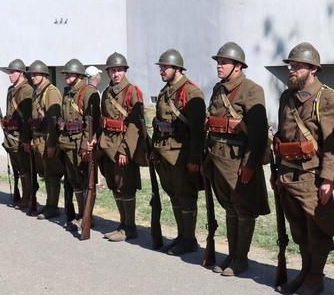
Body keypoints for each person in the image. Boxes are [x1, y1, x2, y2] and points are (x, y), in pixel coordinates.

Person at [272, 43, 334, 295]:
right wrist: (276, 171)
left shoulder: (327, 98)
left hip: (312, 176)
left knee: (317, 229)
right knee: (299, 229)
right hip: (288, 171)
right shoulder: (286, 97)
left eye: (298, 66)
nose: (291, 69)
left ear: (312, 69)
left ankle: (316, 277)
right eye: (290, 65)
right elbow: (281, 135)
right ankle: (305, 272)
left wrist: (329, 179)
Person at [203, 42, 270, 276]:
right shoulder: (217, 89)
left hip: (237, 159)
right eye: (218, 62)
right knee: (229, 208)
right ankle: (232, 254)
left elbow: (259, 132)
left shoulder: (252, 90)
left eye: (224, 62)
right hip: (217, 158)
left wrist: (250, 164)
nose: (219, 66)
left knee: (243, 209)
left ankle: (241, 258)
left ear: (238, 66)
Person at [151, 49, 205, 255]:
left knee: (186, 196)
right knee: (173, 194)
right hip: (164, 152)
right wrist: (154, 149)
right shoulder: (166, 91)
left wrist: (194, 157)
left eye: (165, 67)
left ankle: (189, 239)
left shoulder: (191, 92)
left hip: (182, 154)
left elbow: (199, 130)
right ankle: (182, 235)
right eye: (161, 67)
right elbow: (158, 123)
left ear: (177, 68)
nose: (162, 71)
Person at [98, 52, 145, 242]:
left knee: (125, 186)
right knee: (114, 185)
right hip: (107, 143)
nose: (116, 74)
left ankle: (130, 227)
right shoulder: (107, 93)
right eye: (113, 70)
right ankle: (122, 224)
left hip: (123, 145)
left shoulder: (132, 91)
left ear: (125, 71)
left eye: (119, 70)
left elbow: (135, 124)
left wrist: (125, 149)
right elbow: (102, 119)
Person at [58, 59, 101, 229]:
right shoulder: (68, 93)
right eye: (66, 74)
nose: (66, 76)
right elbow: (63, 114)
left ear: (79, 75)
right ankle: (80, 214)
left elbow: (92, 122)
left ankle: (87, 216)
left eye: (70, 74)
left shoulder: (89, 92)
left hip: (81, 144)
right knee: (75, 181)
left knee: (86, 181)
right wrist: (61, 122)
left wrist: (86, 144)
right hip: (67, 142)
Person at [26, 60, 64, 219]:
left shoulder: (51, 91)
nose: (33, 77)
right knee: (45, 174)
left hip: (47, 139)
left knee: (52, 174)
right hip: (38, 138)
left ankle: (52, 206)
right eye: (32, 74)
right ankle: (49, 204)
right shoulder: (37, 91)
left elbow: (53, 120)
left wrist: (52, 143)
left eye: (36, 74)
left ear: (44, 75)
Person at [0, 59, 33, 208]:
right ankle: (22, 196)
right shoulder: (11, 90)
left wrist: (25, 139)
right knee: (17, 167)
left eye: (13, 72)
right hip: (11, 134)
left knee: (25, 168)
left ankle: (28, 198)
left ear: (21, 73)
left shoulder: (27, 90)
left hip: (21, 134)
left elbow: (27, 117)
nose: (10, 75)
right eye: (9, 72)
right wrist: (5, 122)